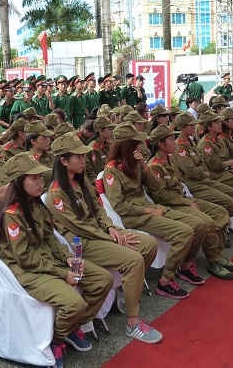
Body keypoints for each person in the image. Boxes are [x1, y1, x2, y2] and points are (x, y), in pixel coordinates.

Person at [0, 152, 113, 366]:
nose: (41, 182)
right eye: (34, 178)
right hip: (30, 271)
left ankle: (71, 326)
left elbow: (51, 239)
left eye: (41, 177)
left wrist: (69, 258)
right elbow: (25, 258)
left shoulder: (37, 204)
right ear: (19, 182)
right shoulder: (12, 214)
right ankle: (56, 340)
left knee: (103, 280)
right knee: (74, 303)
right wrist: (62, 273)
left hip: (51, 261)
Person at [47, 133, 162, 344]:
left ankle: (127, 293)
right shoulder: (56, 194)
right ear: (63, 161)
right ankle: (132, 323)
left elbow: (99, 210)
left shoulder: (81, 182)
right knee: (133, 259)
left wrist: (111, 228)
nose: (83, 161)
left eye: (84, 157)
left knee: (149, 245)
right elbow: (78, 226)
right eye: (78, 157)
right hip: (81, 243)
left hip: (100, 234)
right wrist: (112, 238)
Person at [104, 122, 195, 299]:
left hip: (151, 208)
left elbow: (156, 187)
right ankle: (165, 281)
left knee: (194, 225)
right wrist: (147, 211)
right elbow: (120, 206)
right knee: (185, 233)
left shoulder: (134, 163)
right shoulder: (112, 170)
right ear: (126, 146)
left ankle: (181, 267)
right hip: (134, 216)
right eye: (135, 143)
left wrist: (144, 167)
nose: (140, 146)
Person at [147, 124, 233, 280]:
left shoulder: (170, 159)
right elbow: (162, 196)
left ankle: (216, 252)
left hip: (184, 198)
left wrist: (188, 199)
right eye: (170, 139)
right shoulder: (154, 166)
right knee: (206, 222)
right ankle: (212, 259)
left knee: (220, 212)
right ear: (161, 144)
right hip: (173, 205)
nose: (174, 141)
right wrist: (187, 202)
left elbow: (179, 182)